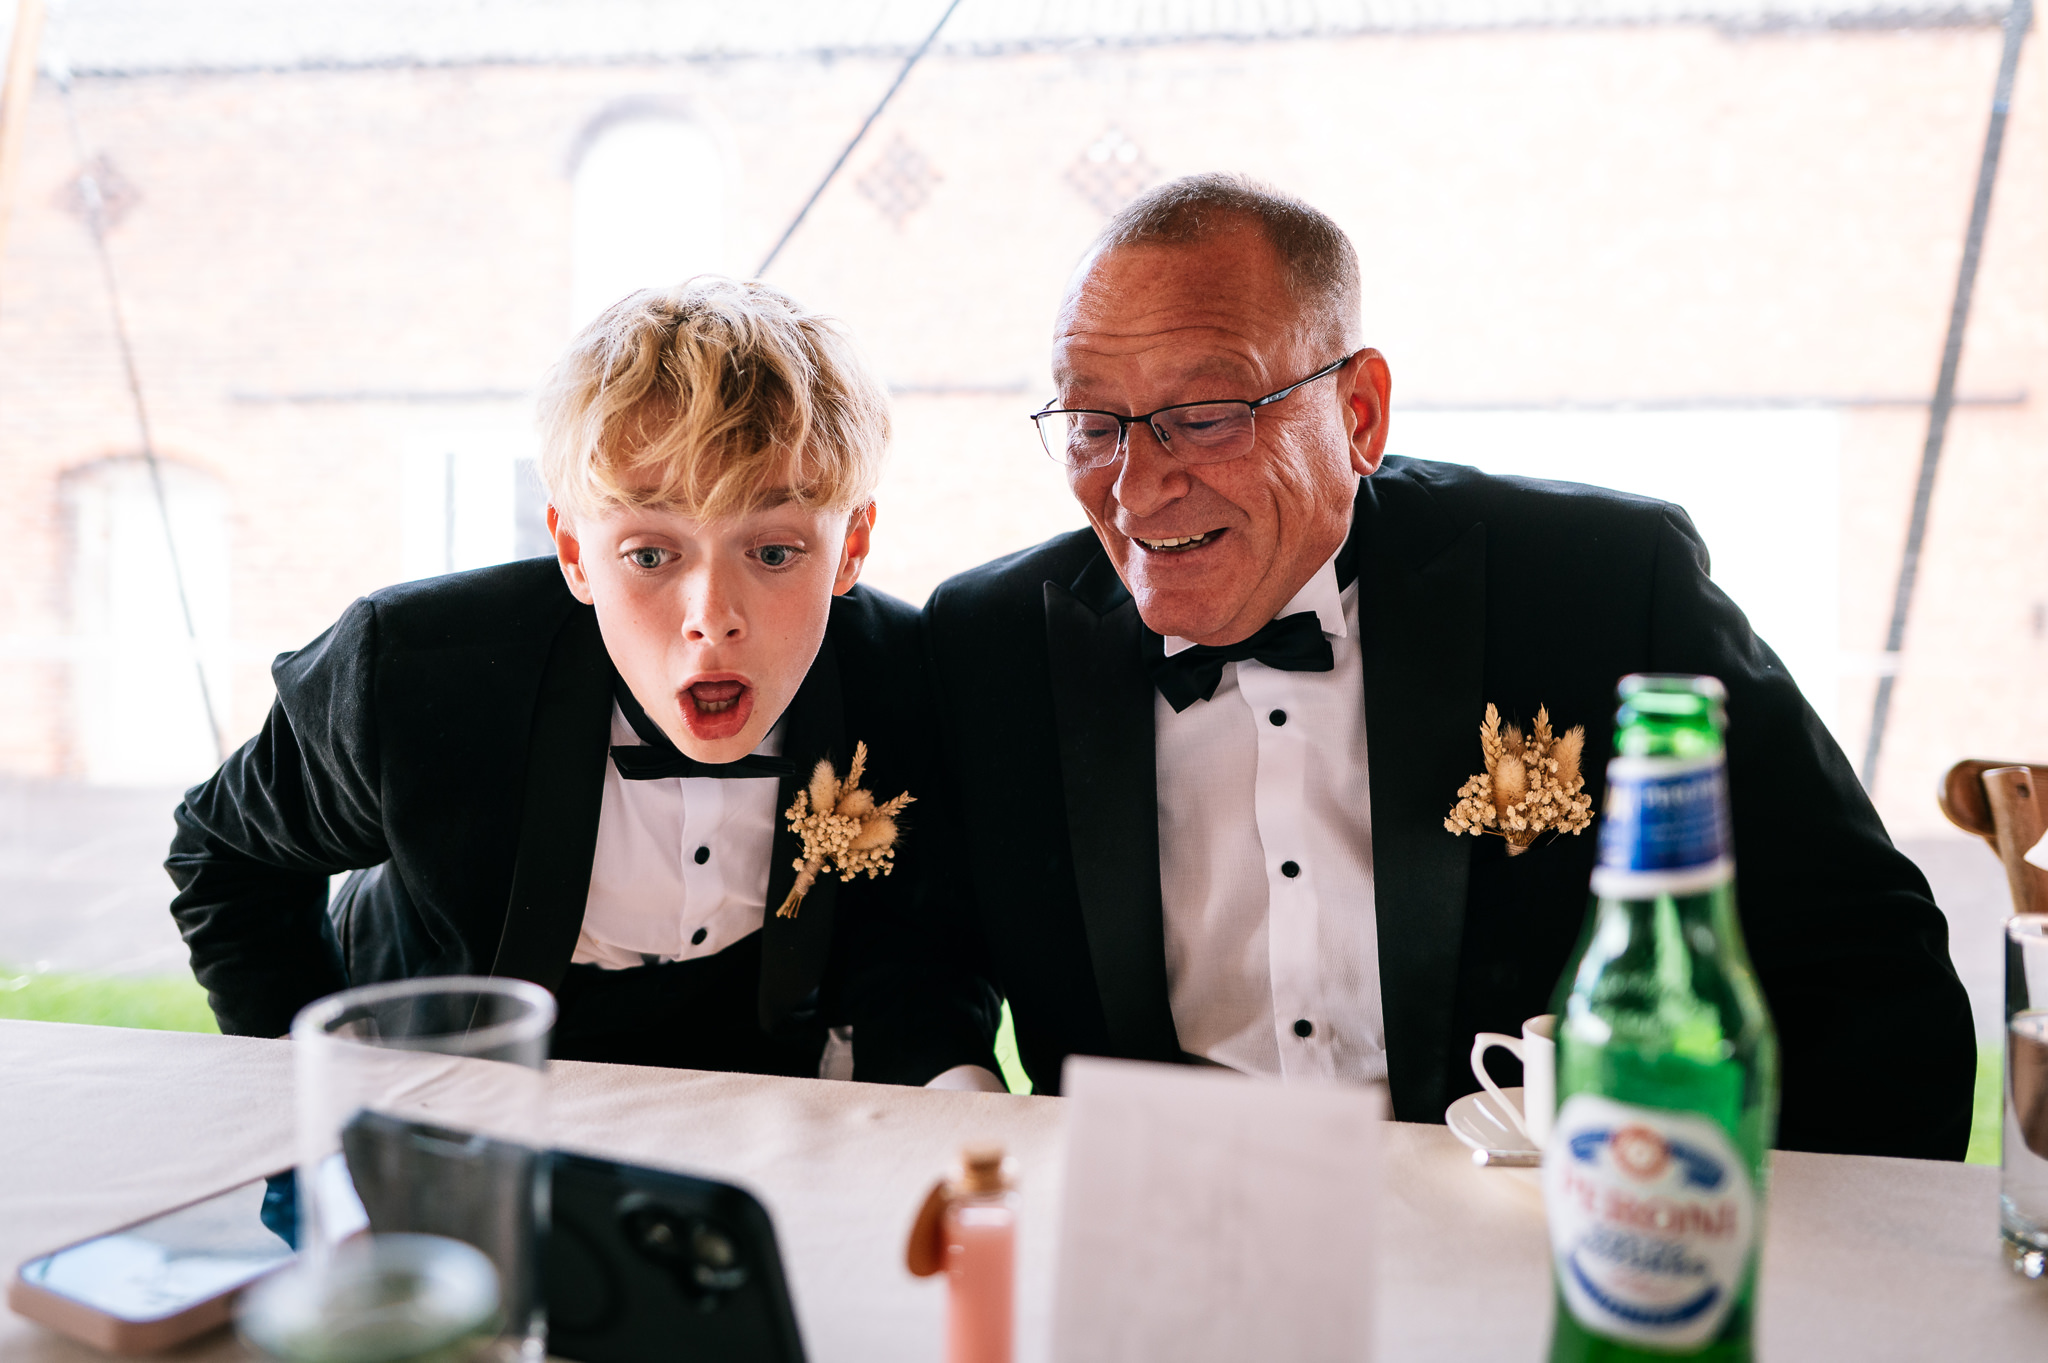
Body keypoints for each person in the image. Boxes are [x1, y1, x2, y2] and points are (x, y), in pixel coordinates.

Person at [921, 173, 1976, 1159]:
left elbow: (1867, 971)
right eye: (1092, 424)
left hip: (1524, 1229)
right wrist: (970, 1135)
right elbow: (919, 973)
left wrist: (1687, 1219)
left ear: (1359, 414)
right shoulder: (989, 644)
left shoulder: (1603, 590)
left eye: (1204, 418)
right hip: (1157, 1241)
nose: (1134, 487)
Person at [168, 277, 997, 1085]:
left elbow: (916, 960)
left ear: (851, 546)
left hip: (749, 1080)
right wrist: (318, 1077)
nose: (712, 618)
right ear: (573, 552)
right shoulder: (412, 672)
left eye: (774, 551)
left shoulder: (902, 678)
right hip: (444, 1072)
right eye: (650, 554)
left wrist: (958, 1090)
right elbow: (226, 852)